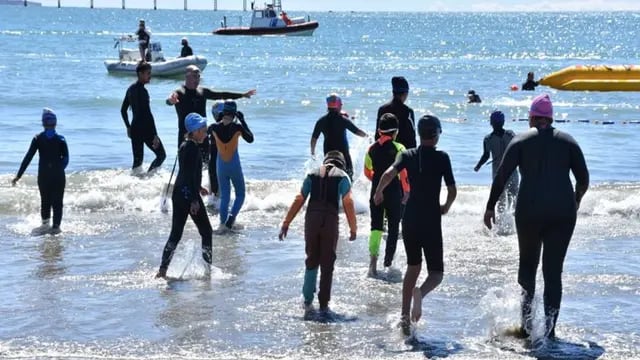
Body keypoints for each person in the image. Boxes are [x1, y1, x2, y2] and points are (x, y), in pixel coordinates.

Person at [483, 94, 589, 339]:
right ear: (550, 118)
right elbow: (583, 179)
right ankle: (550, 332)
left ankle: (527, 327)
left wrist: (490, 207)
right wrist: (575, 200)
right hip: (563, 213)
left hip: (529, 212)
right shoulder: (569, 142)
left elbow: (501, 176)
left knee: (528, 267)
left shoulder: (520, 141)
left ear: (532, 118)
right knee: (553, 273)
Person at [374, 115, 457, 335]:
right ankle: (420, 292)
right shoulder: (442, 157)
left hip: (409, 218)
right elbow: (452, 189)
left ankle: (404, 318)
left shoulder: (407, 154)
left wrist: (378, 191)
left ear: (420, 134)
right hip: (431, 218)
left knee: (413, 267)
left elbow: (389, 173)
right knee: (436, 273)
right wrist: (446, 207)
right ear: (436, 134)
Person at [278, 151, 357, 319]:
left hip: (311, 220)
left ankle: (307, 300)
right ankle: (324, 304)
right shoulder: (342, 177)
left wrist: (286, 222)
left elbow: (300, 198)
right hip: (329, 220)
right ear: (341, 164)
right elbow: (348, 202)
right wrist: (353, 228)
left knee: (311, 258)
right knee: (328, 263)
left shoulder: (312, 174)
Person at [166, 65, 255, 205]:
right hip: (186, 138)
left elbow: (221, 94)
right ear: (187, 76)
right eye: (195, 75)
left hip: (203, 136)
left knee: (208, 166)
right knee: (187, 168)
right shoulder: (180, 92)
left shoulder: (202, 91)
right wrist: (170, 101)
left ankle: (213, 198)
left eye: (199, 75)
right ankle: (183, 195)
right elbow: (170, 99)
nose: (197, 78)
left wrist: (242, 95)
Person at [156, 113, 213, 279]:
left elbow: (187, 173)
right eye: (203, 130)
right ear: (194, 132)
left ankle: (162, 270)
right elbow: (188, 175)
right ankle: (207, 270)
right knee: (207, 231)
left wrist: (198, 187)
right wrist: (194, 200)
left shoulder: (186, 145)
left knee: (176, 234)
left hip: (181, 193)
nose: (205, 132)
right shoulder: (191, 148)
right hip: (188, 195)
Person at [364, 113, 410, 276]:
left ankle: (372, 264)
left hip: (376, 192)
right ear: (395, 132)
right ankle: (388, 263)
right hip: (393, 192)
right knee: (393, 227)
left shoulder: (371, 149)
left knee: (375, 227)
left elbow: (367, 171)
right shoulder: (400, 148)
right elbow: (403, 173)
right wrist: (406, 191)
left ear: (379, 131)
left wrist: (377, 183)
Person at [12, 108, 69, 235]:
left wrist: (18, 175)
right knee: (57, 202)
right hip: (58, 176)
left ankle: (44, 227)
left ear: (43, 123)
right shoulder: (61, 139)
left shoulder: (38, 139)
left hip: (43, 176)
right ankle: (56, 228)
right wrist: (58, 170)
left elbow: (28, 157)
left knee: (45, 201)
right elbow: (66, 159)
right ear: (55, 123)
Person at [207, 101, 254, 231]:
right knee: (240, 194)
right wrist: (243, 121)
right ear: (234, 114)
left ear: (222, 113)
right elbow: (251, 139)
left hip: (220, 165)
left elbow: (203, 138)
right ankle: (231, 219)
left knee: (225, 196)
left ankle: (222, 224)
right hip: (234, 165)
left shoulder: (213, 127)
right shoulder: (237, 127)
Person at [121, 62, 166, 174]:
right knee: (161, 155)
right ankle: (148, 178)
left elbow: (123, 110)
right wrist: (155, 134)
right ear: (140, 74)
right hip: (146, 129)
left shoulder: (130, 89)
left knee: (137, 162)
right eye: (148, 73)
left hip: (135, 129)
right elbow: (147, 114)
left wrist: (128, 126)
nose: (150, 76)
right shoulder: (143, 92)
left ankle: (135, 183)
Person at [311, 94, 367, 180]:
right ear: (338, 106)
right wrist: (367, 136)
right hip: (343, 155)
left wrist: (312, 152)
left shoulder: (321, 121)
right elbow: (357, 131)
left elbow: (314, 139)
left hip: (328, 154)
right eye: (341, 105)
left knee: (327, 176)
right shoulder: (343, 120)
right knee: (349, 176)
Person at [474, 110, 519, 215]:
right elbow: (518, 151)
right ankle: (514, 222)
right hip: (512, 173)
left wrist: (478, 166)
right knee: (514, 198)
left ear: (491, 123)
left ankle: (501, 225)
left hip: (498, 174)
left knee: (501, 200)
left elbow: (486, 156)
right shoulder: (511, 135)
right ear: (503, 122)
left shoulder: (488, 139)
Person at [375, 76, 417, 149]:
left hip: (384, 153)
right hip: (404, 154)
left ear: (393, 92)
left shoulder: (382, 110)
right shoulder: (408, 111)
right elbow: (412, 138)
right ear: (405, 93)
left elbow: (377, 136)